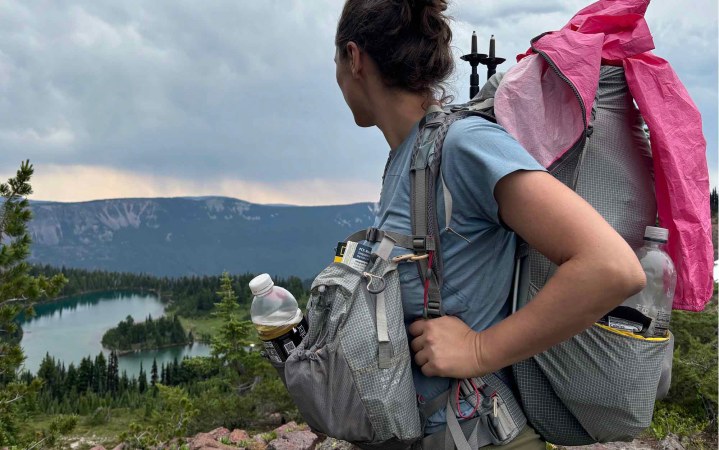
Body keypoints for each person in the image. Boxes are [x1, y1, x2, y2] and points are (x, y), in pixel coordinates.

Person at [334, 0, 646, 448]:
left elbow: (611, 267)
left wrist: (479, 351)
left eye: (336, 64)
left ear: (354, 57)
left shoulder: (463, 145)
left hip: (482, 435)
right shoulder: (407, 157)